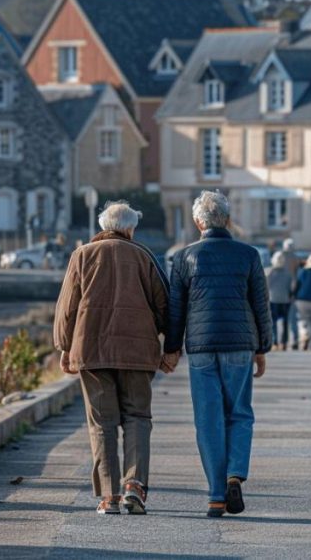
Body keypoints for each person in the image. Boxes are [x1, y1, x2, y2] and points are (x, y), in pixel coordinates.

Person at [54, 200, 171, 516]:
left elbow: (67, 307)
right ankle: (135, 486)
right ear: (130, 229)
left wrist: (64, 347)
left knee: (102, 423)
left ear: (103, 228)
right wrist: (169, 345)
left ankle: (109, 496)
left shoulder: (82, 256)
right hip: (137, 352)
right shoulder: (143, 256)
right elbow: (164, 304)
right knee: (137, 417)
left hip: (91, 352)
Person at [164, 191, 272, 518]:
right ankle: (234, 474)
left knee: (207, 419)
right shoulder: (249, 255)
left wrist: (171, 349)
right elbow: (261, 305)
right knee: (239, 412)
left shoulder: (183, 258)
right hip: (240, 344)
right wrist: (262, 348)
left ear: (198, 222)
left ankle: (215, 496)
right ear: (227, 219)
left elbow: (175, 311)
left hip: (200, 347)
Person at [267, 251, 294, 350]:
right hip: (285, 300)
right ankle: (284, 343)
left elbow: (266, 287)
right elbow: (290, 288)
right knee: (285, 322)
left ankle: (275, 342)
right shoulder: (288, 274)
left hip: (272, 299)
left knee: (273, 322)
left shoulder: (269, 272)